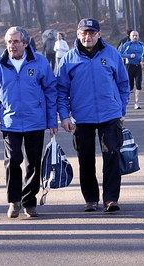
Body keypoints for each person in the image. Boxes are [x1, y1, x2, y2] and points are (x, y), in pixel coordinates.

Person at [0, 26, 58, 219]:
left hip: (35, 121)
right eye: (9, 41)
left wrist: (52, 121)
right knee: (13, 160)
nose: (12, 45)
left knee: (33, 163)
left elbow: (51, 92)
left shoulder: (40, 63)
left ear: (25, 43)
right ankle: (14, 201)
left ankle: (29, 202)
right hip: (11, 122)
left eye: (16, 41)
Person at [56, 18, 130, 213]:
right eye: (84, 33)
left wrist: (121, 109)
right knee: (85, 159)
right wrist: (64, 116)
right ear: (78, 34)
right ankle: (91, 199)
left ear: (99, 34)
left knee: (112, 155)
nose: (87, 37)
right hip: (82, 117)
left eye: (92, 33)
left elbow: (123, 84)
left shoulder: (112, 54)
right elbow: (61, 91)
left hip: (110, 115)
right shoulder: (69, 59)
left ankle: (111, 199)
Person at [119, 30, 144, 110]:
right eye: (133, 35)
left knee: (139, 84)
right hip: (129, 66)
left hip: (138, 66)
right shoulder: (127, 45)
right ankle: (124, 100)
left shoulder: (141, 45)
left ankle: (137, 102)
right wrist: (129, 55)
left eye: (136, 35)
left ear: (138, 36)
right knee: (130, 86)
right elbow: (120, 54)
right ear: (130, 37)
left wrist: (143, 59)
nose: (135, 37)